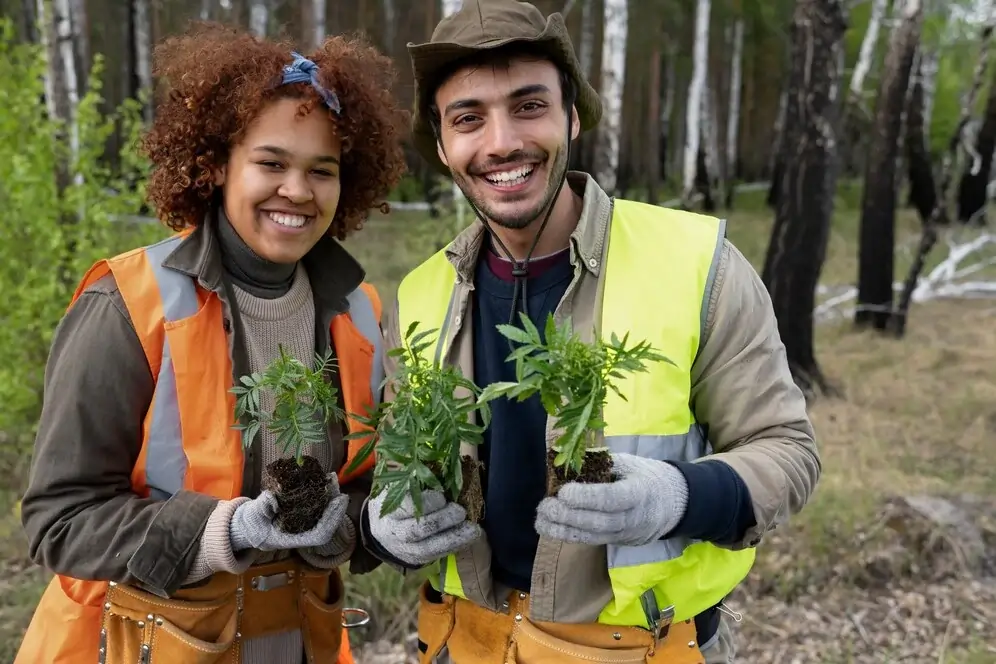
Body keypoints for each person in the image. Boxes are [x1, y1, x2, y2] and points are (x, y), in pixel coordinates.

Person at [360, 2, 822, 663]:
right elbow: (402, 458)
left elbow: (788, 453)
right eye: (468, 119)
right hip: (466, 643)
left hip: (642, 648)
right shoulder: (420, 295)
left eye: (528, 105)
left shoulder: (696, 263)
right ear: (441, 147)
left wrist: (676, 497)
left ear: (572, 116)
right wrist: (387, 518)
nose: (500, 143)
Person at [16, 22, 408, 664]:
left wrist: (371, 526)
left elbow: (360, 488)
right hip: (142, 642)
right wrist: (218, 532)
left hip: (299, 639)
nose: (298, 191)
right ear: (218, 163)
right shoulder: (127, 300)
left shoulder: (358, 312)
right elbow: (61, 519)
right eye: (271, 162)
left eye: (323, 170)